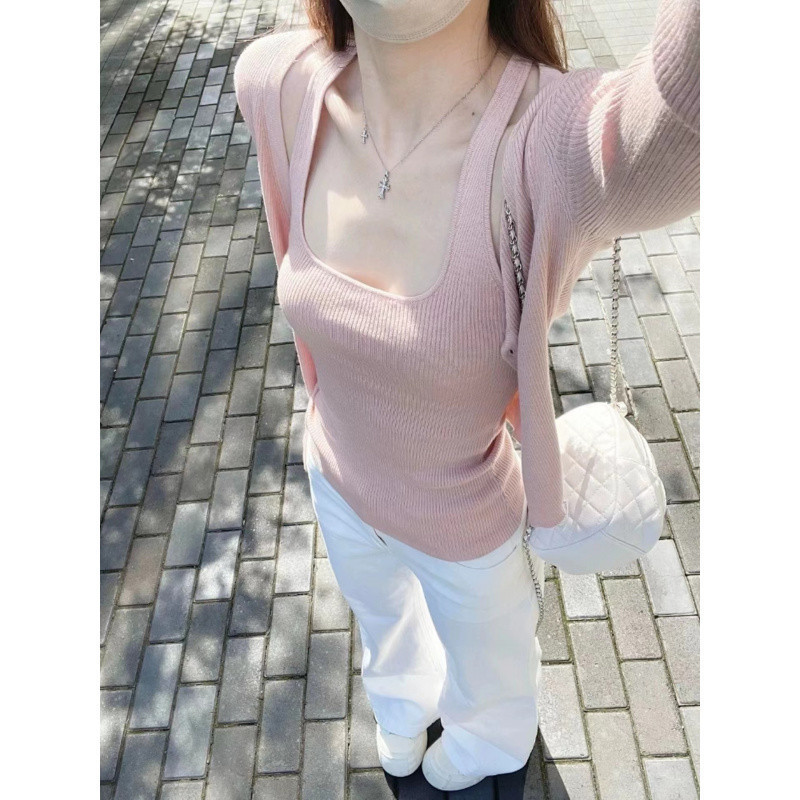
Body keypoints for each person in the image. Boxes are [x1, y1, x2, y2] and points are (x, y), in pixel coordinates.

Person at [234, 0, 700, 791]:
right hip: (335, 482)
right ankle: (400, 704)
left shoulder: (549, 140)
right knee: (383, 623)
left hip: (465, 524)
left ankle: (489, 743)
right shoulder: (277, 83)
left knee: (493, 669)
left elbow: (691, 111)